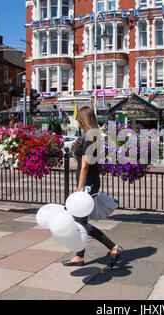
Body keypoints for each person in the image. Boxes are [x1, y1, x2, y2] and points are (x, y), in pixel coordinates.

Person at [62, 106, 123, 268]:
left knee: (81, 223)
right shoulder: (95, 136)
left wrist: (79, 187)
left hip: (87, 183)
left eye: (78, 118)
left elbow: (85, 164)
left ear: (83, 119)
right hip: (92, 181)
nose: (77, 121)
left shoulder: (90, 137)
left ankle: (113, 247)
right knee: (80, 221)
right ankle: (79, 257)